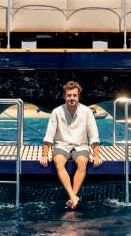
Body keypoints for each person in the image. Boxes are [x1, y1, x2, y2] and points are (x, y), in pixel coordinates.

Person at [39, 81, 102, 209]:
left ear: (78, 96)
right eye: (69, 95)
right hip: (62, 145)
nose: (72, 98)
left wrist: (96, 155)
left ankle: (72, 197)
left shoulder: (87, 111)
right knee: (58, 162)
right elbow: (49, 136)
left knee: (82, 162)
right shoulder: (57, 112)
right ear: (64, 96)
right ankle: (73, 197)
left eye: (74, 95)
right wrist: (45, 155)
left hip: (81, 145)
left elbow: (94, 135)